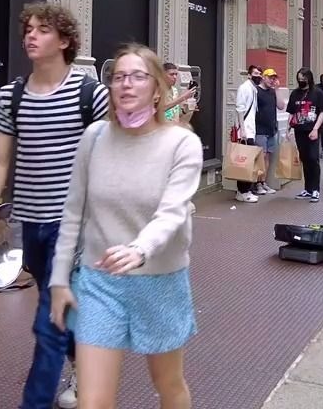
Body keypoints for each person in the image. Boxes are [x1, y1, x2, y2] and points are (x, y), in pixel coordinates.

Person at [0, 2, 110, 409]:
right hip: (29, 223)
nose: (31, 35)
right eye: (28, 29)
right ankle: (87, 370)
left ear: (64, 40)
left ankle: (34, 402)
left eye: (43, 29)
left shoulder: (90, 95)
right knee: (60, 309)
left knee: (49, 318)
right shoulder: (11, 95)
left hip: (76, 229)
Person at [50, 44, 201, 409]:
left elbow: (172, 212)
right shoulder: (95, 138)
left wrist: (139, 249)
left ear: (156, 88)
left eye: (137, 76)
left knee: (168, 384)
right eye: (118, 77)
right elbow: (73, 213)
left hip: (160, 280)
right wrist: (58, 280)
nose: (126, 85)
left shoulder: (182, 143)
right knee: (92, 400)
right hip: (100, 283)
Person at [287, 68, 323, 202]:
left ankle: (316, 189)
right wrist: (287, 129)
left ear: (309, 79)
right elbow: (291, 112)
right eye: (299, 79)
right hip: (299, 130)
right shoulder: (295, 93)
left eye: (303, 79)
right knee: (305, 159)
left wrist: (315, 129)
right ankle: (308, 189)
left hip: (312, 130)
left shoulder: (317, 93)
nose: (301, 81)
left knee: (313, 159)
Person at [252, 68, 287, 195]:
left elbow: (281, 106)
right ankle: (257, 184)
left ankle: (263, 183)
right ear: (263, 77)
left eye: (274, 78)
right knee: (261, 157)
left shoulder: (273, 92)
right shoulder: (256, 91)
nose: (272, 80)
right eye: (270, 77)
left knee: (267, 158)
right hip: (259, 129)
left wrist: (277, 89)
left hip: (271, 129)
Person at [232, 65, 263, 203]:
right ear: (249, 75)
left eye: (259, 73)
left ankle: (245, 190)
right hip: (245, 131)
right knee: (244, 161)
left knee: (248, 161)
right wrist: (242, 130)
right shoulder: (245, 88)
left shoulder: (253, 89)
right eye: (256, 73)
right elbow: (240, 108)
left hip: (250, 129)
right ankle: (243, 191)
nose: (258, 75)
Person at [161, 62, 197, 126]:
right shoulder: (158, 90)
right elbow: (161, 108)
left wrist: (186, 110)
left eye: (176, 74)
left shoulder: (175, 90)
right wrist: (183, 97)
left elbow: (177, 117)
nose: (175, 77)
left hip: (173, 129)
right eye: (171, 74)